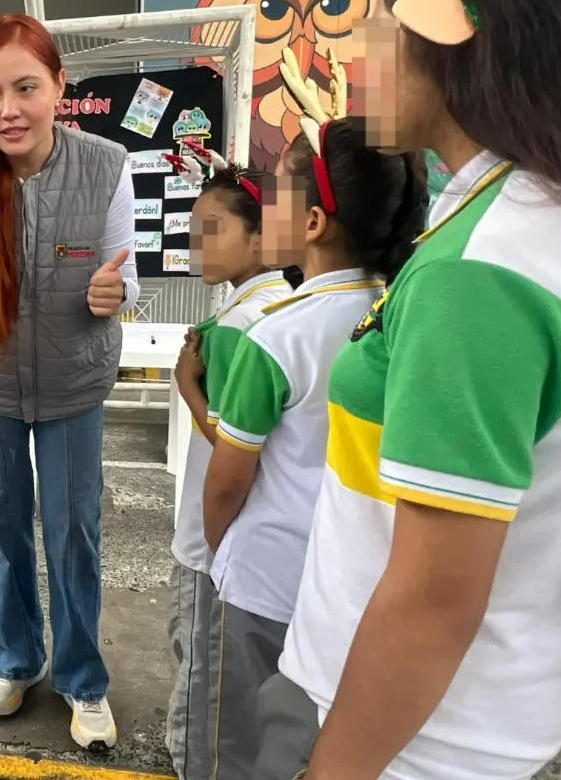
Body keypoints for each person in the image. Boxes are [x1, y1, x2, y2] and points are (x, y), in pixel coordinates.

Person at [256, 0, 561, 779]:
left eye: (380, 39)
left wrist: (333, 767)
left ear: (450, 44)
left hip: (406, 740)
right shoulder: (515, 216)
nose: (361, 69)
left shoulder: (483, 272)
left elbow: (433, 596)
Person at [200, 48, 426, 779]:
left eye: (278, 194)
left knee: (236, 741)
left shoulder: (276, 333)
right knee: (304, 740)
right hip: (341, 586)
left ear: (316, 220)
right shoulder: (394, 311)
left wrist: (218, 553)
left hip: (262, 582)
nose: (265, 206)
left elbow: (227, 481)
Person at [0, 12, 139, 752]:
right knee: (2, 523)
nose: (7, 110)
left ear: (58, 90)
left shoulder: (105, 162)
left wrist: (116, 295)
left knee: (73, 529)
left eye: (24, 88)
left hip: (74, 377)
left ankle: (82, 678)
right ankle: (15, 658)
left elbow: (124, 274)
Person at [170, 148, 292, 780]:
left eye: (213, 228)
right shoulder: (272, 308)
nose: (197, 241)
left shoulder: (245, 324)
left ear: (263, 234)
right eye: (194, 228)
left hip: (216, 543)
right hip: (250, 543)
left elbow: (229, 443)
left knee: (207, 678)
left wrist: (187, 382)